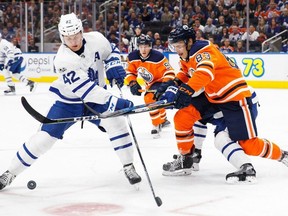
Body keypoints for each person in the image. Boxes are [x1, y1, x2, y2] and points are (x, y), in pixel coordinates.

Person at [0, 13, 141, 190]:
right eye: (68, 38)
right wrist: (115, 102)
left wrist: (113, 64)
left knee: (117, 123)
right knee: (44, 139)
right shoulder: (63, 60)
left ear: (82, 31)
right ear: (62, 37)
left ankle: (128, 166)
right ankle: (10, 172)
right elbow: (87, 90)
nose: (73, 41)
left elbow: (111, 50)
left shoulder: (97, 38)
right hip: (69, 103)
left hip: (97, 99)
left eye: (76, 36)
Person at [155, 25, 288, 181]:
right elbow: (186, 73)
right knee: (183, 117)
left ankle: (283, 155)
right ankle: (187, 159)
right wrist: (172, 83)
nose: (177, 49)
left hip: (235, 99)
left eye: (179, 46)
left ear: (189, 41)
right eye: (174, 46)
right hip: (214, 97)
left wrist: (186, 91)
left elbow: (205, 73)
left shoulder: (204, 52)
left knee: (249, 146)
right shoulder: (187, 55)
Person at [125, 34, 175, 138]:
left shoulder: (158, 57)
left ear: (150, 46)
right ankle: (163, 119)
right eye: (141, 46)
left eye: (146, 46)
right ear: (138, 46)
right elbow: (130, 72)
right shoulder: (132, 57)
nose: (143, 49)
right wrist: (132, 83)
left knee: (149, 98)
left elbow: (169, 71)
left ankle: (156, 123)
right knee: (157, 101)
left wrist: (165, 85)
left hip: (162, 81)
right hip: (150, 83)